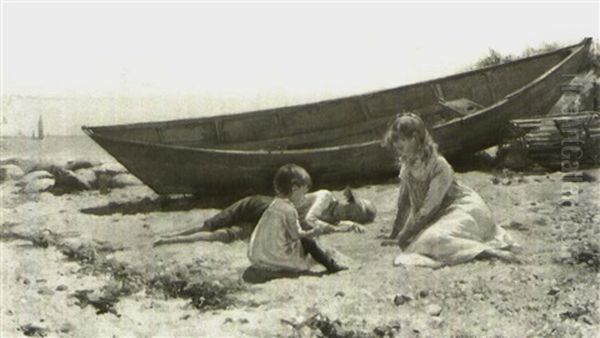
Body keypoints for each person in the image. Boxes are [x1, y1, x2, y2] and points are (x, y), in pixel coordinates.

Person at [382, 113, 519, 267]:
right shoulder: (407, 166)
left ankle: (488, 252)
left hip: (464, 209)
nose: (397, 146)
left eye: (401, 140)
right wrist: (396, 233)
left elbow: (430, 207)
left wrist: (406, 233)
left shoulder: (439, 165)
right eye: (395, 141)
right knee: (424, 243)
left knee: (432, 240)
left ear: (415, 138)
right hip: (438, 215)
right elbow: (404, 202)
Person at [153, 187, 376, 246]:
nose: (347, 211)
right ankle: (173, 234)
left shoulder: (335, 219)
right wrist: (339, 227)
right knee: (213, 223)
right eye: (350, 207)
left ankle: (170, 241)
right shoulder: (326, 197)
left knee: (225, 236)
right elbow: (310, 219)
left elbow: (316, 224)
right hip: (262, 204)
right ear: (347, 200)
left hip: (273, 221)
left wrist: (346, 225)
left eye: (353, 215)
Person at [247, 163, 348, 273]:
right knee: (309, 242)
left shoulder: (275, 204)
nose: (304, 198)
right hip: (274, 258)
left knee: (304, 242)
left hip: (256, 255)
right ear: (294, 189)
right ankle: (331, 266)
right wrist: (314, 231)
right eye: (303, 193)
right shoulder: (289, 210)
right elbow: (297, 235)